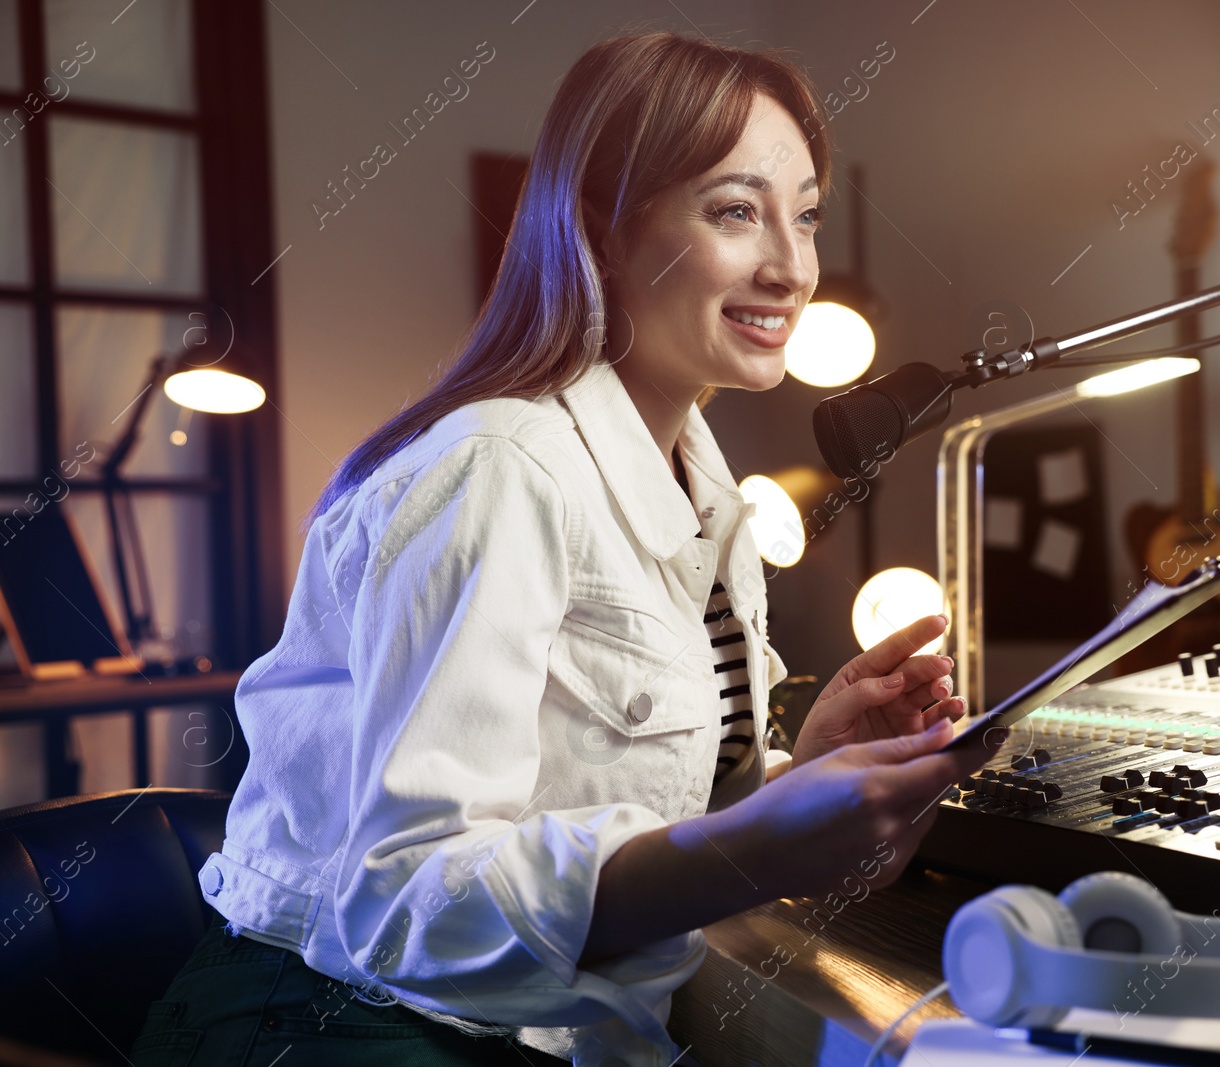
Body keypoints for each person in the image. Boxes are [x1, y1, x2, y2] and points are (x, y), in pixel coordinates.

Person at [132, 31, 996, 1067]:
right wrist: (757, 841)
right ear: (602, 226)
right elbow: (405, 901)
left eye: (804, 215)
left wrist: (791, 784)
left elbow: (630, 820)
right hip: (327, 1024)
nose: (791, 265)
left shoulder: (705, 489)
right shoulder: (502, 466)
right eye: (735, 211)